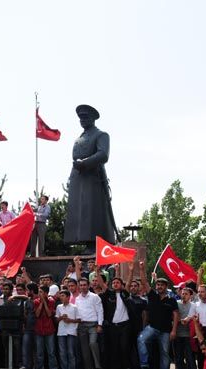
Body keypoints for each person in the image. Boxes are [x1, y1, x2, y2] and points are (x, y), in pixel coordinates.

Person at [64, 104, 116, 248]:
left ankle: (94, 244)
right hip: (79, 179)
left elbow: (103, 154)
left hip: (93, 178)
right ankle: (83, 242)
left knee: (92, 212)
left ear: (93, 118)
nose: (82, 120)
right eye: (80, 118)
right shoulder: (79, 138)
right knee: (80, 212)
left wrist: (85, 163)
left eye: (85, 117)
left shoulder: (101, 135)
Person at [137, 267, 179, 369]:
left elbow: (176, 315)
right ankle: (144, 364)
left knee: (165, 354)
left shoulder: (172, 300)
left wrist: (174, 331)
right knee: (141, 340)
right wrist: (142, 269)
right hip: (152, 327)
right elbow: (144, 282)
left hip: (166, 331)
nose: (159, 286)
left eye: (161, 285)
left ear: (166, 287)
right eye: (158, 285)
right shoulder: (152, 295)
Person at [95, 269, 131, 369]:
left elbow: (129, 281)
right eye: (113, 283)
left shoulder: (125, 293)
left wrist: (131, 270)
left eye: (117, 282)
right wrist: (97, 272)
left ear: (121, 285)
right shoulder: (109, 294)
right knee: (114, 349)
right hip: (112, 327)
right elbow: (102, 284)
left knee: (124, 348)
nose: (115, 284)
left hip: (125, 326)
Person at [75, 277, 104, 369]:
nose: (83, 287)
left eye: (84, 285)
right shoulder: (77, 299)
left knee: (93, 344)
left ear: (88, 286)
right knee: (85, 350)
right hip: (81, 326)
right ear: (79, 287)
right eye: (81, 285)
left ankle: (98, 366)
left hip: (93, 325)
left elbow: (100, 311)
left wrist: (100, 324)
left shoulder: (95, 297)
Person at [34, 285, 58, 369]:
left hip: (49, 330)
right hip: (39, 330)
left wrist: (45, 302)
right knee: (39, 353)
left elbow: (49, 314)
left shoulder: (51, 301)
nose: (39, 293)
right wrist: (41, 303)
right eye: (39, 291)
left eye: (41, 292)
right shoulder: (36, 301)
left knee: (51, 352)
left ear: (46, 293)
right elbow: (37, 314)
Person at [56, 290, 79, 369]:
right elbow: (56, 320)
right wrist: (61, 317)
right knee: (62, 352)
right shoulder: (58, 307)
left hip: (71, 331)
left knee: (71, 352)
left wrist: (70, 320)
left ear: (68, 297)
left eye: (63, 296)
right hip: (61, 332)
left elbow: (79, 320)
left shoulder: (74, 307)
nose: (61, 297)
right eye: (60, 296)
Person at [176, 287, 197, 369]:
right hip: (178, 334)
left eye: (186, 294)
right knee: (178, 358)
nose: (184, 295)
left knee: (190, 358)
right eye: (182, 293)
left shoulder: (194, 306)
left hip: (189, 336)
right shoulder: (176, 303)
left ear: (191, 296)